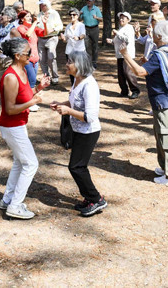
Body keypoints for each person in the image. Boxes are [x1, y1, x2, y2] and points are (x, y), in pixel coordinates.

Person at [119, 21, 168, 185]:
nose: (151, 33)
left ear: (159, 36)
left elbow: (139, 72)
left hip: (164, 101)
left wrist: (126, 55)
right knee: (160, 134)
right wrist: (147, 61)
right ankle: (165, 167)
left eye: (153, 32)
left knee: (164, 137)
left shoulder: (160, 54)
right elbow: (156, 70)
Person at [0, 38, 51, 219]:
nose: (32, 55)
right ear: (17, 55)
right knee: (31, 164)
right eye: (28, 53)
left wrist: (38, 88)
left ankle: (7, 199)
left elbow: (25, 95)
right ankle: (15, 205)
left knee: (19, 163)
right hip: (11, 126)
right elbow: (10, 109)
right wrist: (33, 102)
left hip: (19, 124)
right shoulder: (11, 77)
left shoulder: (23, 71)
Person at [50, 51, 107, 216]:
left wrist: (68, 111)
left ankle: (96, 199)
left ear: (80, 65)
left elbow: (90, 117)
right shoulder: (77, 80)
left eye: (70, 62)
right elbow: (75, 102)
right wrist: (62, 104)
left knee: (76, 167)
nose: (66, 64)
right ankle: (89, 198)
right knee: (78, 166)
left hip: (88, 132)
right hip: (78, 130)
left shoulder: (89, 85)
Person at [10, 10, 44, 103]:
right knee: (32, 81)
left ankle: (28, 100)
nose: (30, 18)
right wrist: (34, 23)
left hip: (35, 58)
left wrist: (44, 22)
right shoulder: (20, 27)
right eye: (27, 16)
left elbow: (44, 33)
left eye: (30, 16)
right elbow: (27, 34)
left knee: (31, 81)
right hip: (26, 58)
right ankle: (29, 102)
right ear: (22, 18)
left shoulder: (33, 27)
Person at [108, 12, 140, 99]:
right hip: (119, 54)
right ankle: (124, 91)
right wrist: (111, 41)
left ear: (128, 20)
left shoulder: (129, 28)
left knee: (128, 73)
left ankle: (135, 90)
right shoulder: (121, 28)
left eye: (123, 18)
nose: (121, 20)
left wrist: (117, 33)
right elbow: (118, 40)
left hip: (127, 54)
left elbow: (127, 40)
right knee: (121, 74)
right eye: (120, 18)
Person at [36, 0, 63, 85]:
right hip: (41, 38)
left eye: (42, 5)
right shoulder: (39, 15)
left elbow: (60, 26)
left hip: (51, 38)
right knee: (42, 59)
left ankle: (55, 77)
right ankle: (46, 76)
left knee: (51, 58)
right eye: (40, 5)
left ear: (46, 5)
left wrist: (53, 29)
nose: (41, 6)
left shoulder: (54, 13)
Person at [62, 8, 86, 84]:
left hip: (79, 50)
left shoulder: (81, 25)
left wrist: (78, 38)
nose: (72, 16)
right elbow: (65, 39)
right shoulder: (68, 26)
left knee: (79, 68)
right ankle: (73, 85)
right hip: (69, 51)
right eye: (70, 15)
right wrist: (63, 38)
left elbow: (83, 35)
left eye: (74, 15)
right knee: (71, 68)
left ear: (78, 16)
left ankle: (80, 84)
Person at [79, 0, 103, 68]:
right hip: (85, 28)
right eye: (87, 0)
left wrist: (96, 18)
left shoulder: (96, 9)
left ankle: (94, 62)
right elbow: (80, 19)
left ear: (93, 1)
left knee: (95, 45)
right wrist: (79, 14)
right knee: (85, 45)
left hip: (94, 29)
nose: (88, 2)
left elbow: (101, 19)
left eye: (89, 1)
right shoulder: (84, 8)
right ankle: (86, 61)